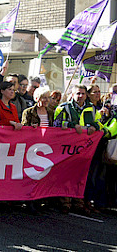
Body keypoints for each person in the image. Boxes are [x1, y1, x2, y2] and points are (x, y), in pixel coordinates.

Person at [53, 85, 101, 214]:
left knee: (81, 175)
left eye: (83, 94)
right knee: (67, 174)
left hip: (85, 148)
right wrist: (74, 126)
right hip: (67, 148)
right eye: (78, 93)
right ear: (72, 94)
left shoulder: (92, 108)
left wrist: (94, 126)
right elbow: (57, 124)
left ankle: (78, 202)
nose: (80, 96)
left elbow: (99, 123)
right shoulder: (63, 107)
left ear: (86, 95)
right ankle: (65, 203)